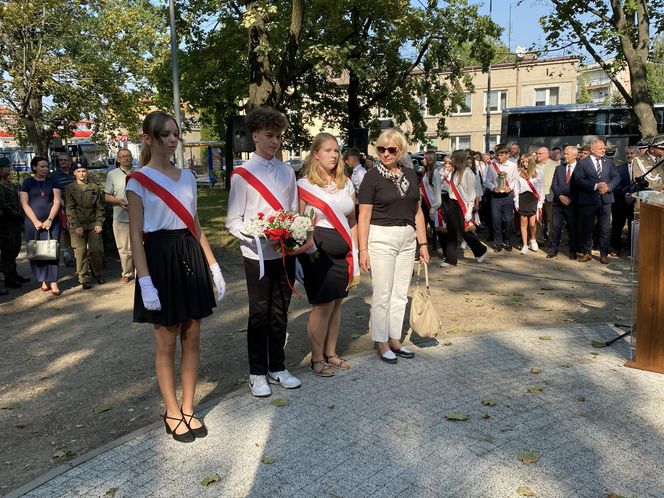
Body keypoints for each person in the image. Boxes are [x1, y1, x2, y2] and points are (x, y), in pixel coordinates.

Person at [126, 110, 225, 443]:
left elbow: (195, 225)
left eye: (175, 134)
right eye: (164, 134)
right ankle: (171, 411)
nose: (171, 140)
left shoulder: (187, 177)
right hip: (160, 259)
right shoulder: (138, 181)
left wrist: (213, 266)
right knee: (166, 342)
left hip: (189, 255)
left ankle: (188, 406)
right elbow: (136, 235)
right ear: (148, 139)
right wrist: (145, 282)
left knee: (193, 337)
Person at [225, 106, 302, 397]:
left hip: (283, 254)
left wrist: (292, 231)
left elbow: (293, 212)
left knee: (280, 312)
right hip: (257, 255)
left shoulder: (287, 172)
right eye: (270, 135)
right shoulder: (243, 174)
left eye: (279, 136)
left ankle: (277, 367)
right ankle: (256, 372)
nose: (275, 142)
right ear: (255, 135)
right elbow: (233, 221)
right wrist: (257, 232)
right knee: (259, 313)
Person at [357, 128, 430, 363]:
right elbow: (364, 215)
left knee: (400, 293)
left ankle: (395, 339)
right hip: (381, 237)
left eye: (391, 149)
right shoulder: (371, 177)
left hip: (407, 238)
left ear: (400, 151)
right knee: (382, 293)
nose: (385, 153)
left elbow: (417, 211)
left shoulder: (409, 173)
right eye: (381, 149)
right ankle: (381, 341)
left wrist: (423, 242)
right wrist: (363, 250)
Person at [296, 133, 358, 377]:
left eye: (336, 151)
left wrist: (355, 249)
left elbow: (352, 219)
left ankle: (331, 353)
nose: (334, 155)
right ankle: (317, 358)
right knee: (322, 306)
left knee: (337, 304)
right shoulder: (304, 186)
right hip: (317, 255)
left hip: (342, 255)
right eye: (328, 150)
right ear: (316, 154)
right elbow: (298, 222)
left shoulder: (346, 184)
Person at [19, 156, 62, 295]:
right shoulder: (27, 183)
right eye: (42, 166)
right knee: (37, 251)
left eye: (46, 166)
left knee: (52, 251)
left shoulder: (53, 182)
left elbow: (56, 202)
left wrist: (49, 219)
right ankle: (43, 279)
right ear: (34, 167)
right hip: (33, 223)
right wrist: (35, 221)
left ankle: (54, 281)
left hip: (52, 221)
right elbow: (25, 203)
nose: (45, 169)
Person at [574, 139, 619, 264]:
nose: (603, 150)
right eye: (600, 148)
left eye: (604, 148)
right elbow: (578, 180)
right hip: (588, 200)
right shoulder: (583, 163)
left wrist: (608, 187)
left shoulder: (609, 162)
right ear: (592, 150)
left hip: (606, 200)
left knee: (604, 228)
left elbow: (616, 177)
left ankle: (604, 254)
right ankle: (587, 253)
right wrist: (595, 186)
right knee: (587, 228)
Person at [442, 150, 488, 267]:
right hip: (452, 202)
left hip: (463, 205)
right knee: (451, 230)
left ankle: (481, 250)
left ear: (458, 159)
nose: (451, 160)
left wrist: (469, 210)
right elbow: (451, 190)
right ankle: (450, 259)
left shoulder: (468, 173)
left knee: (464, 231)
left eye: (453, 158)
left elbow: (472, 193)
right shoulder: (453, 172)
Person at [66, 163, 105, 289]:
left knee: (96, 250)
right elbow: (70, 209)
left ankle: (97, 273)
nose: (82, 173)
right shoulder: (70, 188)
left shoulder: (94, 187)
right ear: (74, 173)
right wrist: (76, 225)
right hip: (77, 224)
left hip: (93, 223)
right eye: (78, 171)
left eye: (83, 171)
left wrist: (99, 223)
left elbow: (100, 207)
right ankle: (84, 278)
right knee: (81, 251)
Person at [105, 148, 135, 283]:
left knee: (141, 246)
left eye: (128, 156)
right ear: (118, 159)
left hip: (140, 217)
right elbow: (107, 196)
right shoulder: (112, 174)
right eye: (123, 156)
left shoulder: (140, 173)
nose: (126, 158)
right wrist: (118, 201)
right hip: (121, 217)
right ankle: (127, 273)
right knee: (124, 248)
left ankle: (142, 272)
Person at [0, 157, 30, 293]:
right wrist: (16, 215)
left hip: (14, 222)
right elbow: (3, 204)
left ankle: (14, 274)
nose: (9, 169)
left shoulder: (8, 183)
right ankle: (9, 277)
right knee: (8, 250)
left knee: (15, 248)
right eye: (7, 167)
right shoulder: (0, 184)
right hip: (6, 223)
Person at [485, 144, 519, 252]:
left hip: (507, 196)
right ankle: (498, 243)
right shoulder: (492, 165)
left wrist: (510, 188)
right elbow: (487, 180)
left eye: (501, 155)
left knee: (508, 220)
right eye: (497, 155)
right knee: (496, 220)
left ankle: (508, 240)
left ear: (507, 155)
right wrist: (493, 188)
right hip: (495, 196)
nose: (499, 157)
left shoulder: (512, 165)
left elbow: (514, 179)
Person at [548, 146, 579, 259]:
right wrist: (560, 196)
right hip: (558, 203)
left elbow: (580, 186)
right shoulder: (559, 168)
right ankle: (553, 249)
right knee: (556, 228)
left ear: (574, 156)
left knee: (572, 228)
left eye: (566, 154)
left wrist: (570, 198)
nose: (564, 156)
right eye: (564, 153)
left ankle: (572, 251)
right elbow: (554, 184)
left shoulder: (580, 168)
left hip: (572, 204)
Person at [514, 154, 544, 254]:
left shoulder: (539, 173)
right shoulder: (519, 173)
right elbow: (516, 189)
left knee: (532, 223)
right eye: (523, 162)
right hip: (522, 198)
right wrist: (516, 202)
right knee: (523, 222)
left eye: (526, 162)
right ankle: (525, 245)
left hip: (533, 199)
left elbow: (541, 189)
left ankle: (533, 239)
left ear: (531, 162)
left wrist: (540, 204)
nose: (524, 163)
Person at [610, 146, 637, 256]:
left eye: (632, 153)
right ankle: (616, 248)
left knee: (634, 227)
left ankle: (632, 250)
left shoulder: (643, 169)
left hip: (636, 203)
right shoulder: (619, 168)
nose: (629, 156)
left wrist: (634, 196)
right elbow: (616, 185)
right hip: (620, 202)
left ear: (637, 154)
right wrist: (626, 194)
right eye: (627, 153)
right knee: (617, 226)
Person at [420, 151, 446, 256]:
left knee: (439, 229)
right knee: (421, 226)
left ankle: (446, 254)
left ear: (429, 160)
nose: (422, 160)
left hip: (433, 205)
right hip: (425, 204)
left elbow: (437, 192)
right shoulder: (426, 172)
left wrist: (434, 207)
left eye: (425, 158)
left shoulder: (435, 173)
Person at [53, 154, 75, 266]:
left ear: (69, 161)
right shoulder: (54, 175)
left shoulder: (75, 172)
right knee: (64, 229)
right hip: (62, 204)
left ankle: (76, 253)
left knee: (75, 228)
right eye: (60, 160)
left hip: (77, 205)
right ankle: (66, 254)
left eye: (65, 160)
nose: (63, 162)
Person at [535, 146, 558, 242]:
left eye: (540, 154)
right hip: (537, 196)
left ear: (546, 154)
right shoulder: (534, 165)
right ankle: (539, 239)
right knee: (538, 219)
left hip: (550, 196)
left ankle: (553, 239)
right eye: (537, 153)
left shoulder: (555, 165)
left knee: (551, 219)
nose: (538, 155)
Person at [346, 148, 366, 217]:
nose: (346, 162)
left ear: (354, 158)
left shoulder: (361, 173)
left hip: (361, 205)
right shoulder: (354, 172)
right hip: (356, 203)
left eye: (348, 159)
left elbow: (364, 191)